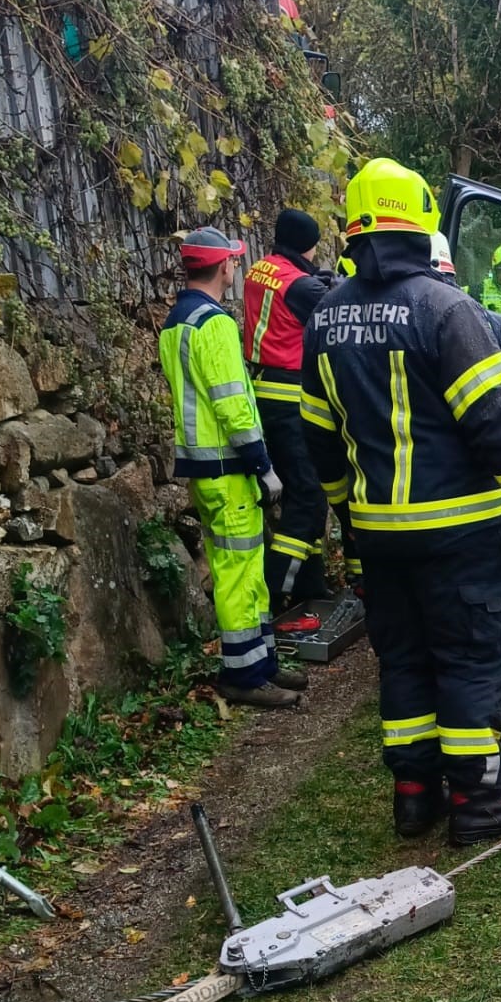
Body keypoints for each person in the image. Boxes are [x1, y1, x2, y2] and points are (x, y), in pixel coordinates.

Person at [300, 159, 501, 844]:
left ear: (355, 228)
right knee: (471, 658)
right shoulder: (448, 310)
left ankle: (415, 797)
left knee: (406, 658)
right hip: (456, 536)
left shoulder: (325, 318)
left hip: (378, 536)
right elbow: (496, 423)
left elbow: (319, 438)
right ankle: (477, 803)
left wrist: (348, 515)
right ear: (421, 224)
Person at [160, 227, 305, 708]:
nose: (236, 267)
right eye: (234, 261)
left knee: (244, 567)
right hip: (229, 468)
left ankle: (261, 663)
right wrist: (263, 464)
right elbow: (233, 406)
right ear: (223, 266)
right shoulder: (215, 324)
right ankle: (244, 675)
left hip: (206, 470)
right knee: (239, 574)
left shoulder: (176, 322)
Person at [242, 209, 339, 616]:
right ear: (306, 245)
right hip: (290, 397)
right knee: (309, 497)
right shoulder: (301, 286)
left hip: (265, 392)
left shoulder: (260, 269)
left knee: (300, 493)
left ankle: (310, 586)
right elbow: (337, 306)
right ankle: (273, 591)